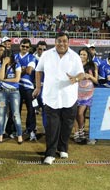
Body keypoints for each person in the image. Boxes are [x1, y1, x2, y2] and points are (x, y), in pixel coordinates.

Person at [33, 32, 84, 165]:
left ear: (69, 42)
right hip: (51, 97)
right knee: (51, 127)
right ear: (55, 42)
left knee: (67, 126)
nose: (62, 43)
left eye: (64, 41)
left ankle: (63, 148)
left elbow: (82, 73)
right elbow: (38, 71)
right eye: (59, 41)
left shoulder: (74, 56)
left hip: (69, 97)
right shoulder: (46, 55)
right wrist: (38, 87)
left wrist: (76, 79)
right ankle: (50, 153)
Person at [0, 49, 23, 144]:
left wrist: (4, 80)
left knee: (16, 114)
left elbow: (16, 79)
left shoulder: (17, 65)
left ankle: (19, 135)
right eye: (5, 57)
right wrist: (4, 64)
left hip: (14, 93)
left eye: (8, 57)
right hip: (2, 93)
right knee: (1, 114)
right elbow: (0, 77)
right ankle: (0, 134)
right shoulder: (1, 65)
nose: (6, 58)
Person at [14, 38, 37, 141]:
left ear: (29, 48)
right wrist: (22, 70)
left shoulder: (32, 57)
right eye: (23, 46)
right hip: (16, 87)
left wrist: (18, 71)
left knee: (31, 110)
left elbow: (29, 71)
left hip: (28, 88)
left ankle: (30, 130)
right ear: (20, 46)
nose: (24, 48)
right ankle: (15, 130)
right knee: (15, 110)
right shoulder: (14, 57)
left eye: (27, 47)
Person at [73, 48, 98, 143]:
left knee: (80, 113)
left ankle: (81, 131)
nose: (82, 56)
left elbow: (96, 80)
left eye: (84, 54)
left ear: (88, 55)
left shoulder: (93, 65)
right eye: (80, 54)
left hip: (87, 93)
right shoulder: (75, 65)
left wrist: (90, 76)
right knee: (75, 113)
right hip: (76, 92)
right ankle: (77, 133)